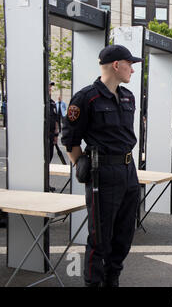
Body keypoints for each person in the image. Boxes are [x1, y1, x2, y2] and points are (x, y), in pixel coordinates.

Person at [61, 44, 143, 287]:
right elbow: (71, 140)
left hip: (128, 171)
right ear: (117, 65)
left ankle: (112, 279)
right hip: (103, 173)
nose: (133, 70)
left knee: (125, 234)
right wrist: (83, 167)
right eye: (130, 65)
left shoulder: (128, 96)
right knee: (100, 238)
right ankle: (94, 283)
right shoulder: (86, 98)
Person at [48, 82, 59, 164]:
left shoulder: (52, 103)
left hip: (51, 135)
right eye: (49, 86)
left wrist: (56, 135)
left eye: (50, 87)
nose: (50, 88)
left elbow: (56, 120)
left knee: (49, 156)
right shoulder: (38, 103)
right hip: (41, 136)